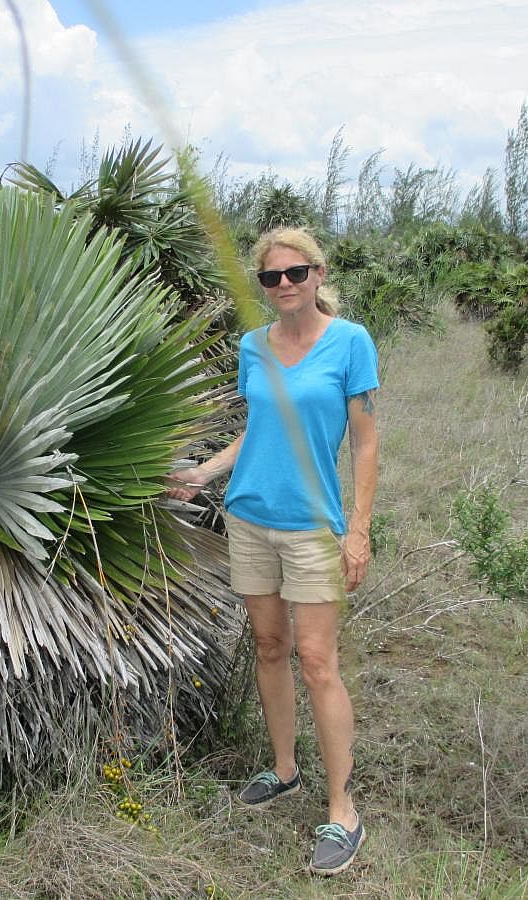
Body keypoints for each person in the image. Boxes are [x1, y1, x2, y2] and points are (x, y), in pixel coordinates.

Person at [167, 227, 379, 876]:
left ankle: (342, 809)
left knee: (318, 661)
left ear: (318, 275)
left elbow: (366, 443)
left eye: (296, 273)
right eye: (271, 278)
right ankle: (284, 769)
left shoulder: (351, 342)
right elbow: (255, 430)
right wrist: (206, 475)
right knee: (267, 648)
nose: (284, 285)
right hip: (251, 516)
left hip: (315, 524)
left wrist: (359, 528)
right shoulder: (252, 347)